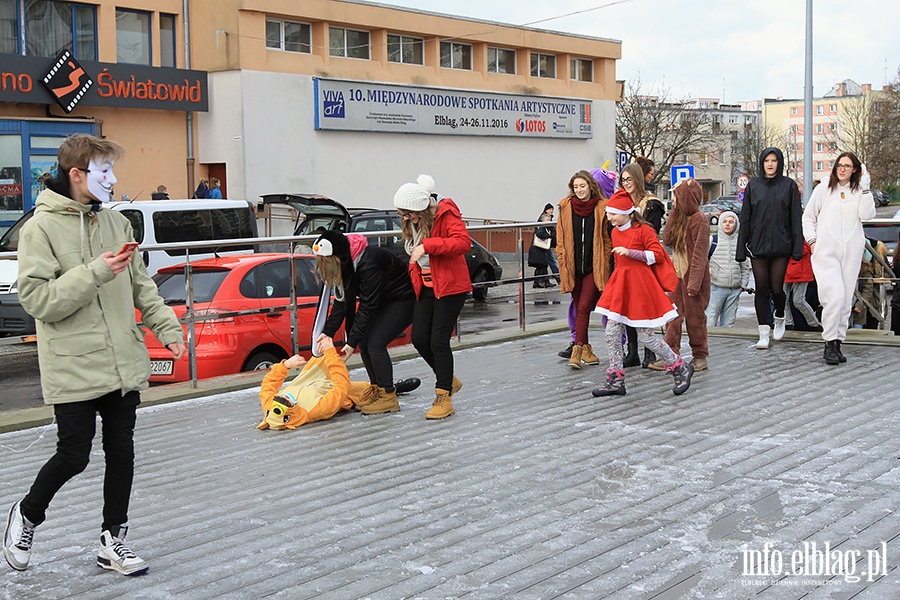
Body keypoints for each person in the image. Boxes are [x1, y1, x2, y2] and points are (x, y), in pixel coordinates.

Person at [4, 134, 186, 576]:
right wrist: (96, 271)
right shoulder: (40, 228)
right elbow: (38, 300)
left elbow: (142, 284)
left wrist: (166, 326)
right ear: (77, 174)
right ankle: (27, 514)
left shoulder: (116, 224)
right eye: (105, 171)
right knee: (74, 454)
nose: (114, 179)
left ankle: (113, 539)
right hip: (73, 361)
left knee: (122, 449)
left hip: (122, 356)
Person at [593, 190, 694, 397]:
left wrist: (631, 253)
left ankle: (679, 366)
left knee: (646, 337)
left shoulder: (644, 231)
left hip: (641, 288)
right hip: (621, 286)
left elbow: (658, 255)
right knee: (612, 332)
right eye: (608, 213)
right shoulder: (614, 232)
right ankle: (615, 379)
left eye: (613, 213)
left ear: (626, 212)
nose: (609, 218)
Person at [393, 174, 471, 419]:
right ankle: (448, 379)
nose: (406, 218)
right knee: (418, 338)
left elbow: (462, 243)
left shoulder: (445, 214)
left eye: (409, 213)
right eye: (403, 214)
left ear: (420, 208)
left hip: (450, 286)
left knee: (438, 340)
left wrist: (429, 246)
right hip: (426, 286)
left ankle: (443, 396)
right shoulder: (414, 224)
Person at [312, 230, 415, 415]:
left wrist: (350, 342)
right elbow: (342, 302)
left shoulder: (369, 263)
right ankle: (377, 389)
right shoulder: (346, 263)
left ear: (338, 256)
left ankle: (388, 396)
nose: (326, 267)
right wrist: (327, 332)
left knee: (375, 343)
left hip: (403, 300)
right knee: (365, 341)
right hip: (384, 300)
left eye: (327, 262)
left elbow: (368, 306)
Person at [802, 152, 876, 364]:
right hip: (826, 253)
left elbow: (868, 215)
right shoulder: (824, 189)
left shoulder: (858, 191)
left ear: (855, 169)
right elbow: (808, 217)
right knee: (833, 296)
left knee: (844, 300)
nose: (841, 169)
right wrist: (813, 241)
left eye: (847, 166)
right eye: (838, 165)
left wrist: (866, 187)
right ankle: (829, 341)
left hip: (851, 255)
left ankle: (837, 342)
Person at [736, 147, 804, 349]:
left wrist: (797, 247)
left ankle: (780, 315)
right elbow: (746, 217)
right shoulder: (753, 186)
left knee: (777, 288)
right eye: (767, 160)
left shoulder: (789, 186)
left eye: (774, 160)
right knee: (761, 288)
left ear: (779, 162)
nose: (771, 164)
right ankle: (763, 331)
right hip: (758, 245)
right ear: (762, 163)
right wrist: (741, 248)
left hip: (781, 245)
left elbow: (795, 219)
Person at [648, 178, 711, 371]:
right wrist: (674, 214)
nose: (674, 201)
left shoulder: (700, 219)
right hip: (677, 276)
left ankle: (700, 356)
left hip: (694, 278)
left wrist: (694, 284)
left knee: (695, 318)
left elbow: (700, 255)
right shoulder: (680, 217)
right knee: (672, 317)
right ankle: (671, 355)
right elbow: (666, 239)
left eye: (677, 197)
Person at [556, 170, 612, 369]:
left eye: (583, 186)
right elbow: (560, 239)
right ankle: (587, 350)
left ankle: (577, 351)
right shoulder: (566, 207)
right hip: (572, 267)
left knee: (583, 308)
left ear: (590, 186)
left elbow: (606, 239)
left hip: (593, 267)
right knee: (579, 306)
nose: (579, 190)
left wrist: (604, 262)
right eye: (576, 186)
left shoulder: (601, 207)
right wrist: (562, 261)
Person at [257, 336, 372, 430]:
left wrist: (286, 365)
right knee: (371, 389)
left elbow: (268, 383)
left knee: (322, 338)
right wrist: (331, 353)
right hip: (336, 386)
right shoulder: (315, 410)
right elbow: (342, 387)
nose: (284, 398)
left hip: (314, 372)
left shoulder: (269, 406)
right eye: (287, 402)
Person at [619, 162, 655, 368]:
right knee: (628, 309)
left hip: (644, 262)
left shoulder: (650, 203)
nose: (626, 184)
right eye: (623, 180)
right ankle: (632, 352)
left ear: (637, 179)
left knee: (646, 309)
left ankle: (650, 352)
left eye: (629, 179)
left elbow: (652, 232)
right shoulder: (619, 202)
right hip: (624, 263)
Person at [706, 211, 750, 328]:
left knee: (729, 323)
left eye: (731, 222)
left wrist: (743, 285)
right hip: (716, 287)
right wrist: (707, 270)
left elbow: (745, 266)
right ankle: (709, 344)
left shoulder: (740, 243)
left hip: (735, 289)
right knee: (710, 319)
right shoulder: (713, 240)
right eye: (725, 221)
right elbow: (701, 260)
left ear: (735, 224)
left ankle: (726, 346)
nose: (727, 224)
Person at [783, 241, 822, 331]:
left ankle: (814, 323)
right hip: (788, 269)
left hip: (800, 271)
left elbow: (807, 248)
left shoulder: (801, 235)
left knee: (798, 301)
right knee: (783, 299)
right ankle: (788, 323)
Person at [634, 157, 665, 233]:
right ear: (644, 173)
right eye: (651, 174)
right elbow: (654, 228)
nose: (652, 177)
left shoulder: (626, 195)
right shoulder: (652, 202)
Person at [529, 211, 553, 287]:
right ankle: (543, 282)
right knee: (543, 265)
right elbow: (539, 234)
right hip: (538, 250)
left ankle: (538, 282)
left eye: (549, 220)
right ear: (543, 220)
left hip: (538, 250)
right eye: (547, 220)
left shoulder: (542, 227)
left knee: (540, 266)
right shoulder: (542, 227)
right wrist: (549, 235)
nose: (548, 221)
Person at [542, 203, 560, 284]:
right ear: (546, 210)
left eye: (552, 209)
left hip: (547, 243)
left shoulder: (548, 218)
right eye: (550, 209)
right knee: (551, 261)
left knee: (546, 262)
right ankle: (558, 279)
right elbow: (541, 231)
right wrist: (550, 235)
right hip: (545, 244)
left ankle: (544, 281)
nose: (551, 211)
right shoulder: (545, 218)